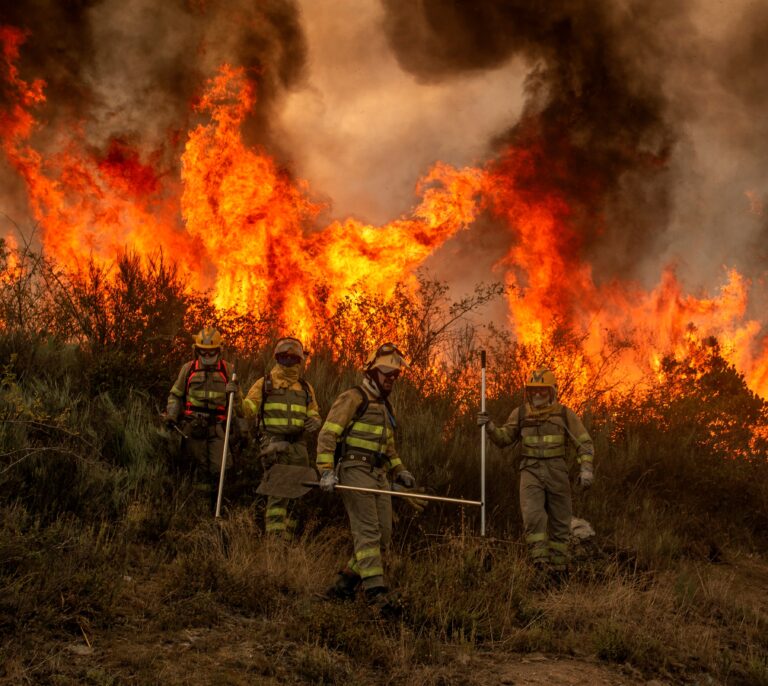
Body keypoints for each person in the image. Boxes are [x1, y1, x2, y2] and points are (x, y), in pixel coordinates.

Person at [317, 342, 415, 615]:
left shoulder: (384, 406)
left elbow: (389, 447)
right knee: (368, 532)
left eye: (395, 375)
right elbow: (327, 435)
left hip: (379, 475)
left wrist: (400, 470)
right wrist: (326, 470)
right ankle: (375, 594)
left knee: (384, 535)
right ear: (372, 372)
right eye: (386, 374)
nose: (391, 379)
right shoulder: (353, 398)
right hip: (355, 471)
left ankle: (344, 585)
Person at [477, 367, 594, 582]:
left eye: (542, 390)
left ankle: (559, 572)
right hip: (530, 472)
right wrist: (491, 427)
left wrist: (586, 469)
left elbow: (584, 443)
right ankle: (540, 568)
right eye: (533, 390)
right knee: (533, 518)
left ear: (552, 391)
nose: (537, 394)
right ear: (528, 392)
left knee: (561, 522)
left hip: (557, 473)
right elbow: (504, 438)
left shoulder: (565, 415)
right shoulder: (520, 413)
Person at [244, 337, 322, 540]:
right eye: (284, 358)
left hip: (299, 446)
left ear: (299, 361)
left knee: (298, 494)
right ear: (277, 358)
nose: (288, 362)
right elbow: (248, 409)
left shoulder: (305, 388)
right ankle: (275, 543)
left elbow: (313, 412)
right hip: (274, 445)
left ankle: (287, 541)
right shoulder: (264, 384)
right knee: (277, 495)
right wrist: (235, 400)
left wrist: (315, 421)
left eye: (292, 358)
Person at [165, 327, 244, 510]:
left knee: (221, 468)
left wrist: (242, 429)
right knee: (195, 467)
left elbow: (238, 404)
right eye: (203, 351)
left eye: (211, 351)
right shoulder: (188, 369)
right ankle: (195, 507)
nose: (207, 355)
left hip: (217, 428)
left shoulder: (228, 369)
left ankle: (217, 506)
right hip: (193, 428)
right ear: (196, 350)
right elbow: (176, 396)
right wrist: (171, 415)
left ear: (219, 350)